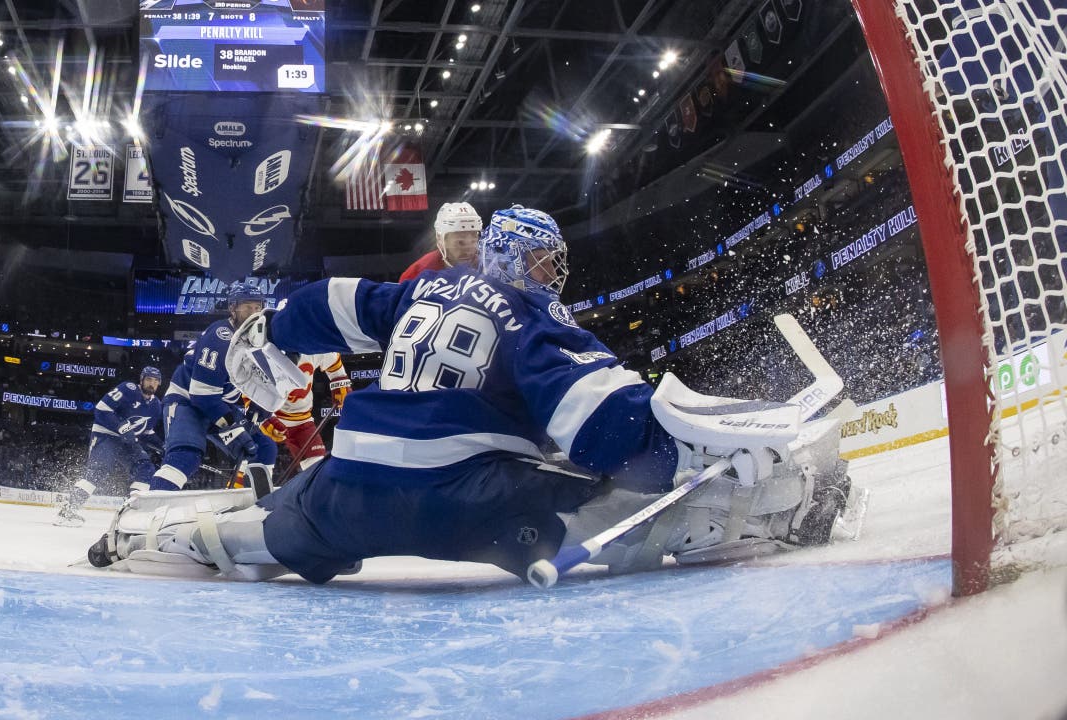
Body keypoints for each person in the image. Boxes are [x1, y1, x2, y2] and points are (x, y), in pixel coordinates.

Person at [94, 206, 847, 583]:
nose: (555, 277)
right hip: (469, 501)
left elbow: (330, 302)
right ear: (519, 259)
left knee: (280, 525)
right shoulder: (533, 315)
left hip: (348, 490)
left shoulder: (419, 289)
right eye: (547, 262)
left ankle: (181, 543)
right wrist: (671, 461)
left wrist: (273, 326)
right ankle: (760, 507)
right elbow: (601, 426)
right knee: (616, 501)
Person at [138, 282, 278, 497]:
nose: (254, 313)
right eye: (247, 307)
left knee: (265, 448)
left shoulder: (258, 341)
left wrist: (259, 406)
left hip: (220, 403)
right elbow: (202, 396)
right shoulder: (221, 337)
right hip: (188, 401)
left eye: (257, 307)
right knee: (186, 456)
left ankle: (258, 505)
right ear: (233, 309)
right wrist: (233, 428)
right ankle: (147, 513)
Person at [55, 367, 164, 526]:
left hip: (127, 442)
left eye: (155, 381)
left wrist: (163, 446)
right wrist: (122, 428)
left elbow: (146, 432)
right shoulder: (128, 389)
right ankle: (67, 511)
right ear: (141, 380)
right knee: (98, 471)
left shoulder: (156, 405)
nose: (152, 384)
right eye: (149, 379)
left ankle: (131, 514)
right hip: (106, 435)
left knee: (145, 468)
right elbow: (102, 409)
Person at [260, 352, 350, 478]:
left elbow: (332, 360)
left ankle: (316, 496)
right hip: (272, 416)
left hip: (302, 420)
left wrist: (339, 380)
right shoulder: (264, 349)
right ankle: (243, 492)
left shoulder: (311, 346)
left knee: (317, 464)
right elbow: (246, 382)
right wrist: (262, 417)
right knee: (260, 460)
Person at [398, 202, 483, 282]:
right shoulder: (418, 273)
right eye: (460, 243)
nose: (469, 251)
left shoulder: (487, 265)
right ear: (440, 240)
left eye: (473, 242)